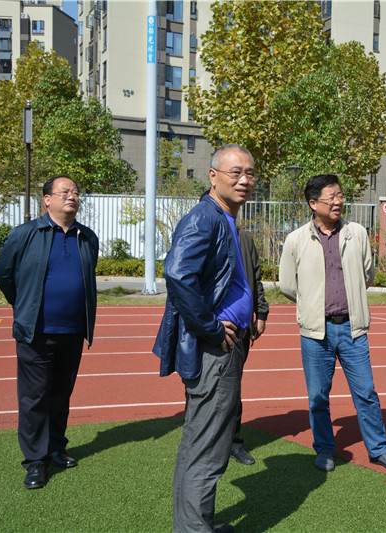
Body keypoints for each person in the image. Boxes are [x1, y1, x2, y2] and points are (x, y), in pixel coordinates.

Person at [153, 144, 257, 533]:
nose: (244, 179)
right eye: (236, 172)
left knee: (202, 442)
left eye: (250, 173)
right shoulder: (205, 218)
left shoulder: (222, 217)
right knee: (209, 448)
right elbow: (178, 275)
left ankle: (195, 525)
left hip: (223, 345)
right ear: (213, 176)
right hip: (216, 347)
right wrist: (211, 326)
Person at [279, 174, 386, 474]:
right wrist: (312, 304)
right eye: (331, 197)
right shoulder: (296, 239)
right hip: (315, 332)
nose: (338, 202)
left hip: (353, 328)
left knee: (366, 393)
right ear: (313, 203)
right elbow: (287, 285)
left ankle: (379, 449)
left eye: (340, 195)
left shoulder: (356, 233)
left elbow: (367, 275)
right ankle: (324, 448)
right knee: (318, 396)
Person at [0, 176, 99, 490]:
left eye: (76, 192)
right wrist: (24, 304)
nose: (72, 196)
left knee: (60, 395)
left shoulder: (87, 237)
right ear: (47, 200)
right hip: (36, 332)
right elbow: (4, 273)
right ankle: (35, 461)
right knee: (34, 398)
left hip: (74, 330)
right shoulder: (25, 234)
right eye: (64, 191)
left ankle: (55, 448)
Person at [229, 226, 269, 465]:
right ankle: (204, 441)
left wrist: (261, 313)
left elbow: (256, 278)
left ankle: (233, 442)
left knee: (233, 387)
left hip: (240, 330)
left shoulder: (244, 239)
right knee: (205, 389)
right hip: (210, 330)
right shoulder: (204, 233)